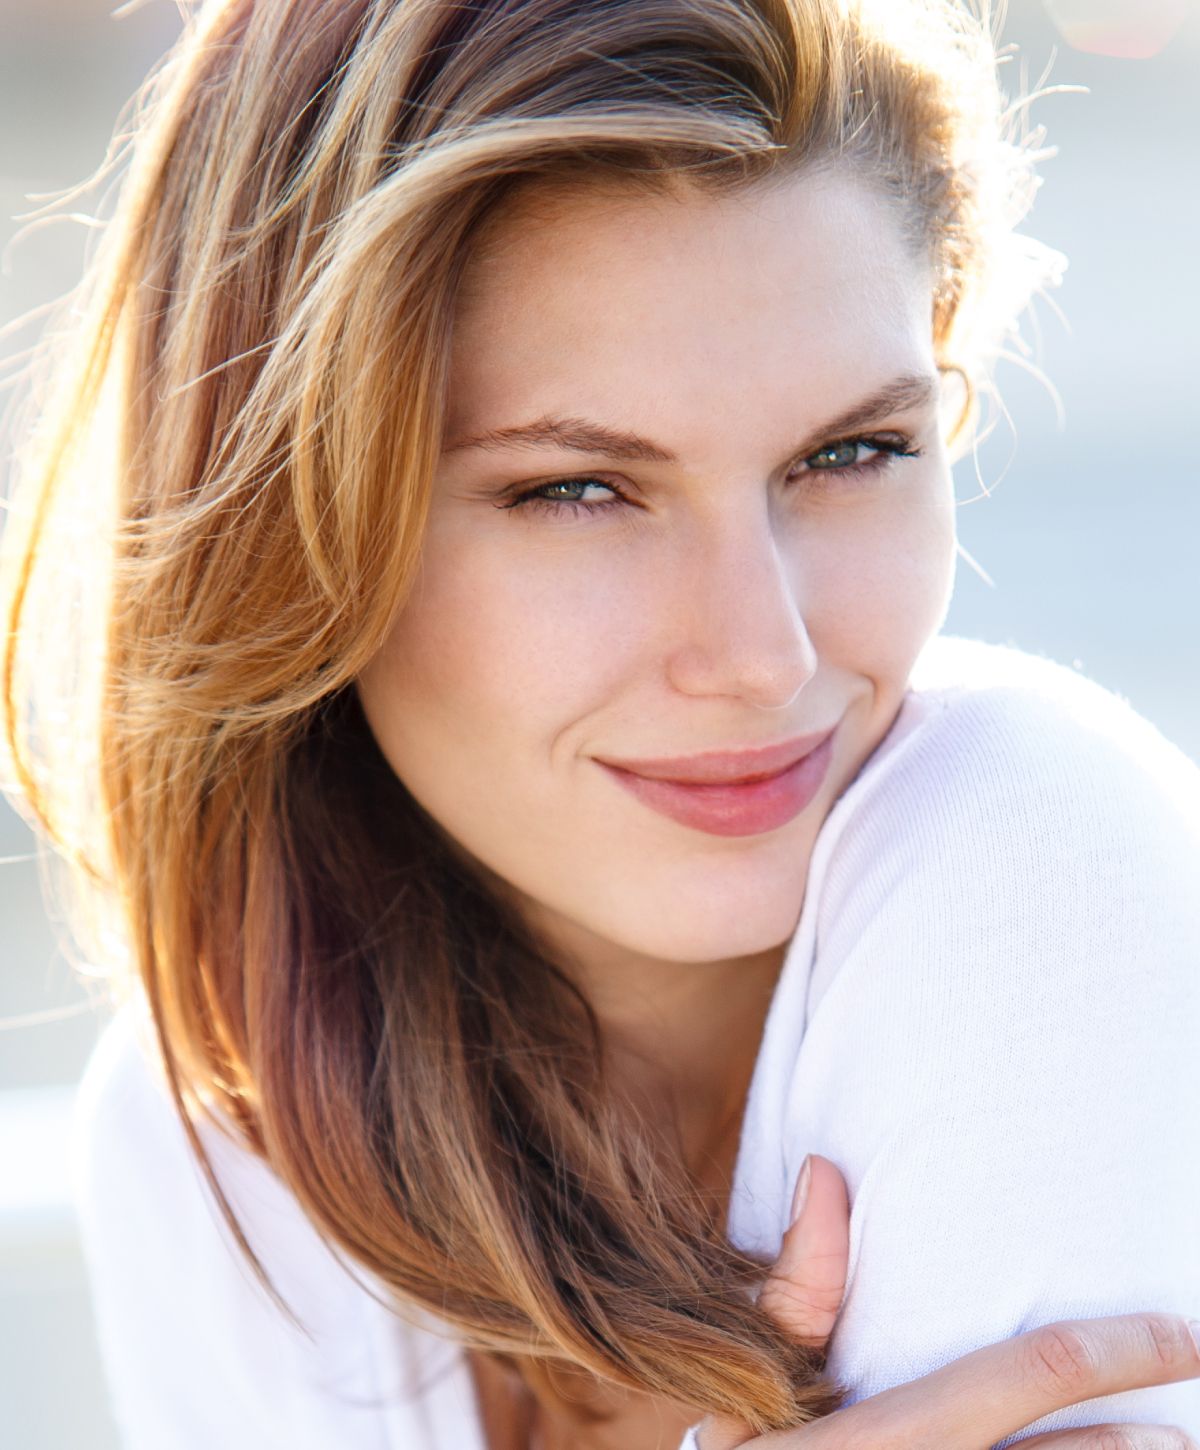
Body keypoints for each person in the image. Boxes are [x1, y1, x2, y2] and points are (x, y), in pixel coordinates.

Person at [1, 0, 1197, 1446]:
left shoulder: (1033, 850)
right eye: (575, 490)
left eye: (852, 452)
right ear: (287, 532)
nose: (764, 656)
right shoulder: (216, 1142)